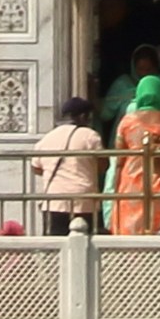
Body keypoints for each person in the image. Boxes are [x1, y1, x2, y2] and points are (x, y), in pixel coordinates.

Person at [106, 70, 160, 234]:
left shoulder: (127, 122)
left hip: (131, 186)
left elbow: (119, 162)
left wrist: (115, 192)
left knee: (131, 237)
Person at [29, 93, 106, 236]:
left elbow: (36, 168)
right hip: (84, 202)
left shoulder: (47, 138)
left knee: (55, 248)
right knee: (87, 247)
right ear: (83, 116)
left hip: (54, 201)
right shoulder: (90, 136)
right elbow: (103, 165)